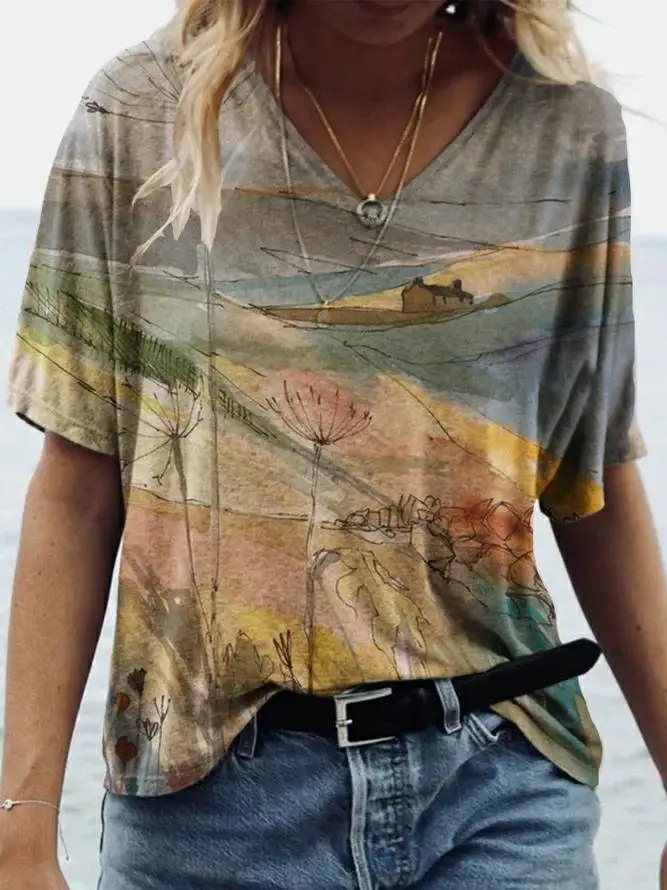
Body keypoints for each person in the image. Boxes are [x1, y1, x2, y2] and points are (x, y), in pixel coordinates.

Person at [1, 0, 667, 887]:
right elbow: (78, 487)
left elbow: (593, 479)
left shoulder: (564, 127)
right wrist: (21, 826)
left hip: (499, 790)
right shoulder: (138, 109)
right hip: (208, 809)